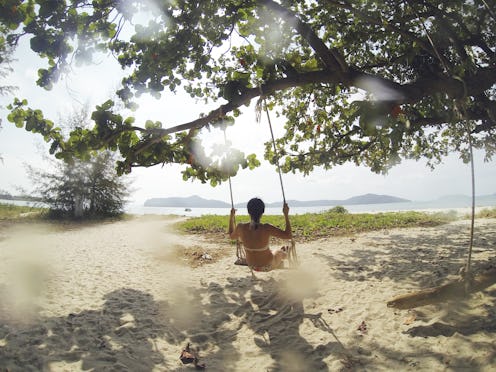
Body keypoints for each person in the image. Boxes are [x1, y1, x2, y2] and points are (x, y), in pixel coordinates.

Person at [228, 197, 292, 272]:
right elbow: (288, 235)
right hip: (267, 266)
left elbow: (231, 236)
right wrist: (286, 215)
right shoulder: (266, 228)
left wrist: (231, 217)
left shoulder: (240, 227)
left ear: (248, 211)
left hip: (251, 266)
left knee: (270, 251)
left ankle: (281, 257)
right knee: (279, 252)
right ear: (263, 211)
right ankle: (286, 254)